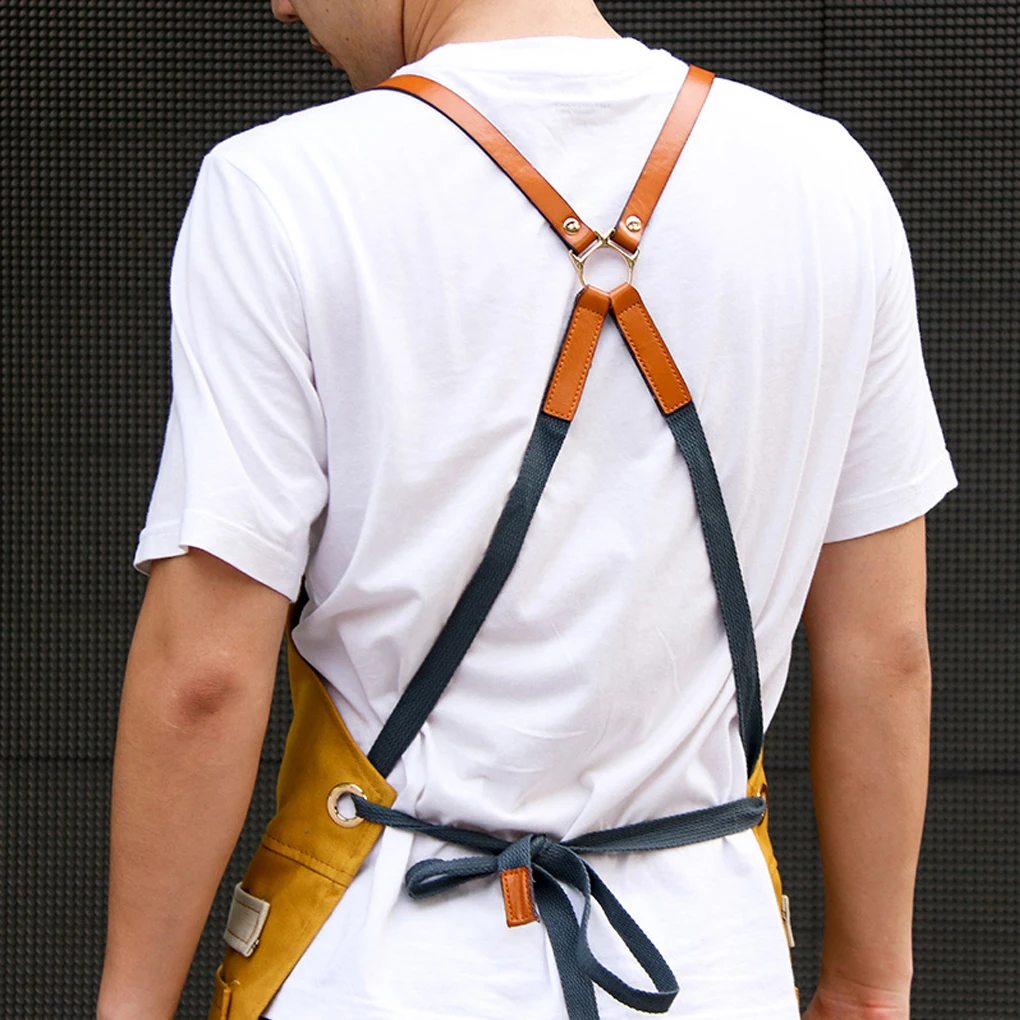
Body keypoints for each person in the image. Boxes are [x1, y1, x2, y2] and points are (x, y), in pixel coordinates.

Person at [96, 1, 956, 1018]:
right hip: (714, 972)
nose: (281, 3)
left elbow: (203, 680)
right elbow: (885, 650)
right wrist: (867, 987)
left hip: (383, 974)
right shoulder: (826, 181)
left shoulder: (281, 188)